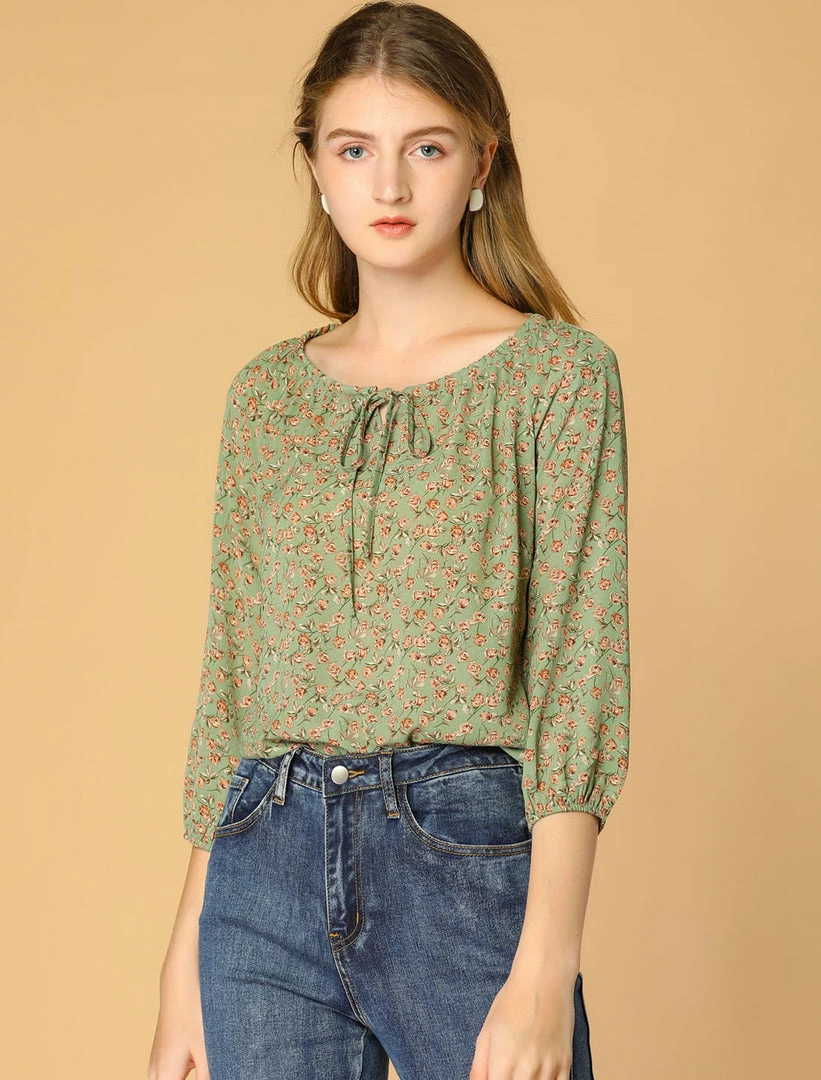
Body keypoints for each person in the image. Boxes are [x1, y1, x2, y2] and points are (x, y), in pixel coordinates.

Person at [147, 3, 630, 1078]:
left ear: (482, 161)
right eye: (355, 150)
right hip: (260, 872)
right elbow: (232, 682)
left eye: (428, 148)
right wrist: (185, 954)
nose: (391, 186)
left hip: (461, 859)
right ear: (316, 168)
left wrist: (546, 965)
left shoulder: (556, 377)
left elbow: (576, 671)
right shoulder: (266, 397)